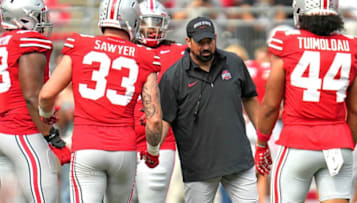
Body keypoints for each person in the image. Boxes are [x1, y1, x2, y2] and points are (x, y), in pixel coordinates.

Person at [38, 0, 163, 202]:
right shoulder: (144, 56)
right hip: (124, 149)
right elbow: (155, 120)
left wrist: (45, 115)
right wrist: (153, 151)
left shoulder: (81, 45)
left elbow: (45, 95)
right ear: (133, 20)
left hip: (87, 146)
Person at [255, 0, 357, 202]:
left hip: (297, 142)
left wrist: (261, 144)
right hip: (338, 143)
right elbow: (356, 111)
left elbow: (270, 106)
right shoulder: (352, 45)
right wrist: (346, 144)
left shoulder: (287, 41)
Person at [159, 16, 259, 203]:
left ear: (215, 37)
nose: (206, 47)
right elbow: (164, 120)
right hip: (199, 166)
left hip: (238, 159)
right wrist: (153, 147)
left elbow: (250, 98)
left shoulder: (234, 62)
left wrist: (263, 138)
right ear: (188, 41)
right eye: (200, 42)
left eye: (209, 41)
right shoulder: (173, 76)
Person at [0, 0, 70, 202]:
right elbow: (31, 96)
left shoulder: (4, 41)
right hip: (23, 131)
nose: (43, 21)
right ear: (24, 18)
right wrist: (51, 136)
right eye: (38, 16)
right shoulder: (29, 40)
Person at [131, 1, 187, 203]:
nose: (152, 28)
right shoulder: (124, 48)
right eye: (146, 23)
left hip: (162, 138)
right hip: (123, 135)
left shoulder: (179, 53)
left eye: (156, 23)